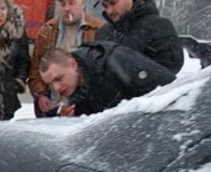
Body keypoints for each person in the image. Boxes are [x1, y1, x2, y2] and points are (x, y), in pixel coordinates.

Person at [28, 0, 105, 117]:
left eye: (71, 3)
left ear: (82, 2)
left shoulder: (98, 29)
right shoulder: (47, 32)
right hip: (54, 106)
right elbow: (36, 69)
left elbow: (101, 73)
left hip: (86, 107)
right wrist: (41, 94)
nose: (67, 8)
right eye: (63, 4)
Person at [38, 43, 176, 117]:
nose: (56, 88)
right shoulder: (75, 86)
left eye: (58, 78)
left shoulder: (115, 61)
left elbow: (171, 88)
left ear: (73, 65)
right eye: (50, 84)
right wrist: (72, 119)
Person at [95, 0, 184, 74]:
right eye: (105, 6)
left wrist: (130, 77)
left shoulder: (158, 26)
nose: (109, 11)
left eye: (113, 3)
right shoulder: (103, 33)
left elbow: (168, 70)